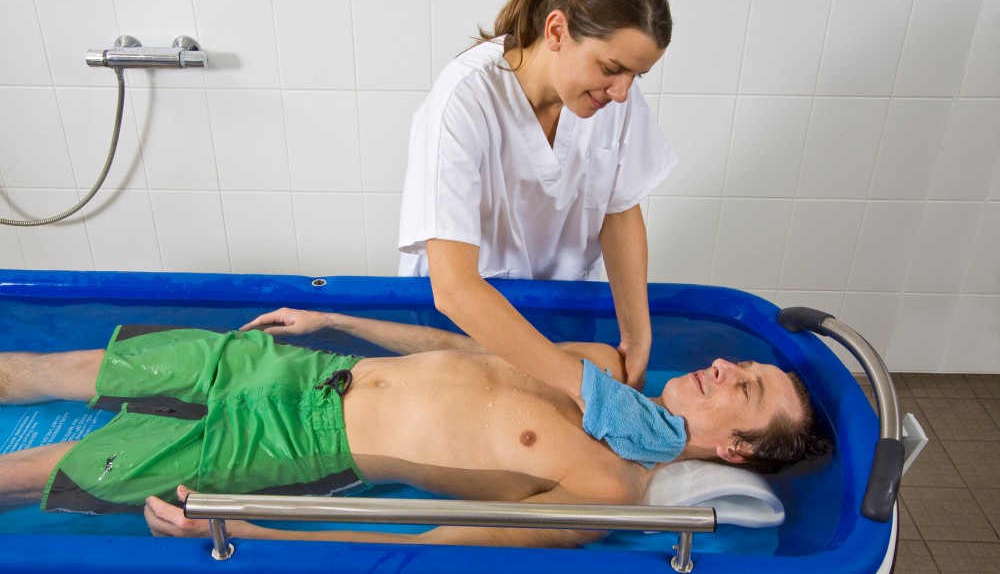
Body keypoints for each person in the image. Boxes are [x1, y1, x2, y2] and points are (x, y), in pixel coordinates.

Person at [0, 308, 830, 548]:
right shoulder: (602, 367)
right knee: (58, 368)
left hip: (293, 447)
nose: (725, 367)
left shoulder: (610, 489)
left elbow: (434, 533)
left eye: (745, 387)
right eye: (737, 366)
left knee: (33, 472)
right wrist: (335, 319)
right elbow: (459, 346)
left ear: (735, 450)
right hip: (289, 368)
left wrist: (253, 525)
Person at [398, 0, 677, 390]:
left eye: (636, 76)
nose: (622, 92)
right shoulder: (464, 100)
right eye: (612, 69)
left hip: (560, 310)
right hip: (461, 324)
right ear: (557, 31)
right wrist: (583, 388)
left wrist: (637, 334)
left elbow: (619, 208)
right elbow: (454, 289)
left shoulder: (611, 96)